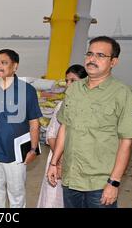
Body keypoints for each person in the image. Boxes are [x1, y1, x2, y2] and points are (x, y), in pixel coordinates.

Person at [47, 36, 132, 208]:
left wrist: (114, 182)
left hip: (100, 182)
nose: (92, 59)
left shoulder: (123, 93)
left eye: (100, 55)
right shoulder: (74, 89)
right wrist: (54, 163)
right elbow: (64, 128)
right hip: (71, 177)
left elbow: (127, 142)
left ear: (113, 62)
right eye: (90, 54)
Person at [0, 49, 42, 208]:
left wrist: (33, 149)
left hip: (16, 154)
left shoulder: (27, 90)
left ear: (15, 66)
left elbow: (34, 122)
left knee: (17, 196)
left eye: (3, 63)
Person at [37, 64, 87, 208]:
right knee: (53, 198)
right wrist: (59, 159)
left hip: (79, 162)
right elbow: (51, 134)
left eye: (73, 80)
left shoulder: (91, 106)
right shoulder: (61, 106)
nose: (69, 84)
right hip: (57, 157)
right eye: (67, 80)